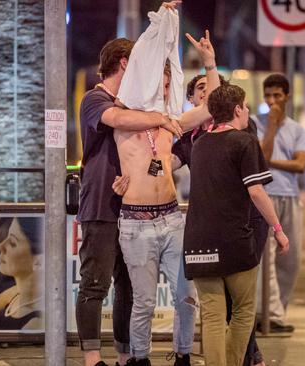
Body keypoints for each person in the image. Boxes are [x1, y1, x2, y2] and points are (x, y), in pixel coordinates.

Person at [112, 27, 219, 366]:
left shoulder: (170, 123)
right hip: (136, 223)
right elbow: (121, 114)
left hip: (172, 218)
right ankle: (140, 359)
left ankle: (183, 355)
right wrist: (158, 25)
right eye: (161, 84)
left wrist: (210, 64)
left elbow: (209, 109)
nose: (165, 91)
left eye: (169, 85)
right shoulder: (123, 119)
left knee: (186, 296)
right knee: (143, 302)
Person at [77, 30, 184, 366]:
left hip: (133, 211)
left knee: (129, 288)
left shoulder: (136, 104)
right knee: (96, 282)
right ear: (126, 63)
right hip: (101, 207)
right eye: (142, 66)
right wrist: (160, 118)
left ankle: (126, 355)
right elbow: (117, 120)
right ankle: (92, 358)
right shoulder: (96, 99)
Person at [184, 84, 289, 366]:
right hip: (233, 242)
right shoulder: (244, 141)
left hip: (197, 243)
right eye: (245, 106)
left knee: (213, 316)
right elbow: (256, 192)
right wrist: (278, 229)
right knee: (243, 311)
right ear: (237, 110)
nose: (247, 112)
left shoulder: (199, 144)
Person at [171, 74, 268, 366]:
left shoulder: (205, 141)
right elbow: (257, 190)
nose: (206, 94)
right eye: (201, 89)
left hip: (217, 232)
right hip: (230, 234)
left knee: (220, 312)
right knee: (240, 308)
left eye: (210, 90)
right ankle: (245, 358)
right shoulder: (198, 140)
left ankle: (250, 355)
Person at [251, 74, 305, 332]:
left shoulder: (297, 130)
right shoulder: (256, 124)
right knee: (267, 257)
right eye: (268, 96)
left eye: (277, 96)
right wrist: (271, 127)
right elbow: (261, 158)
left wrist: (270, 163)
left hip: (291, 197)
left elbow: (300, 164)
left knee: (291, 260)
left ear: (287, 96)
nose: (272, 101)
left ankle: (277, 311)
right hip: (266, 196)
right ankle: (269, 315)